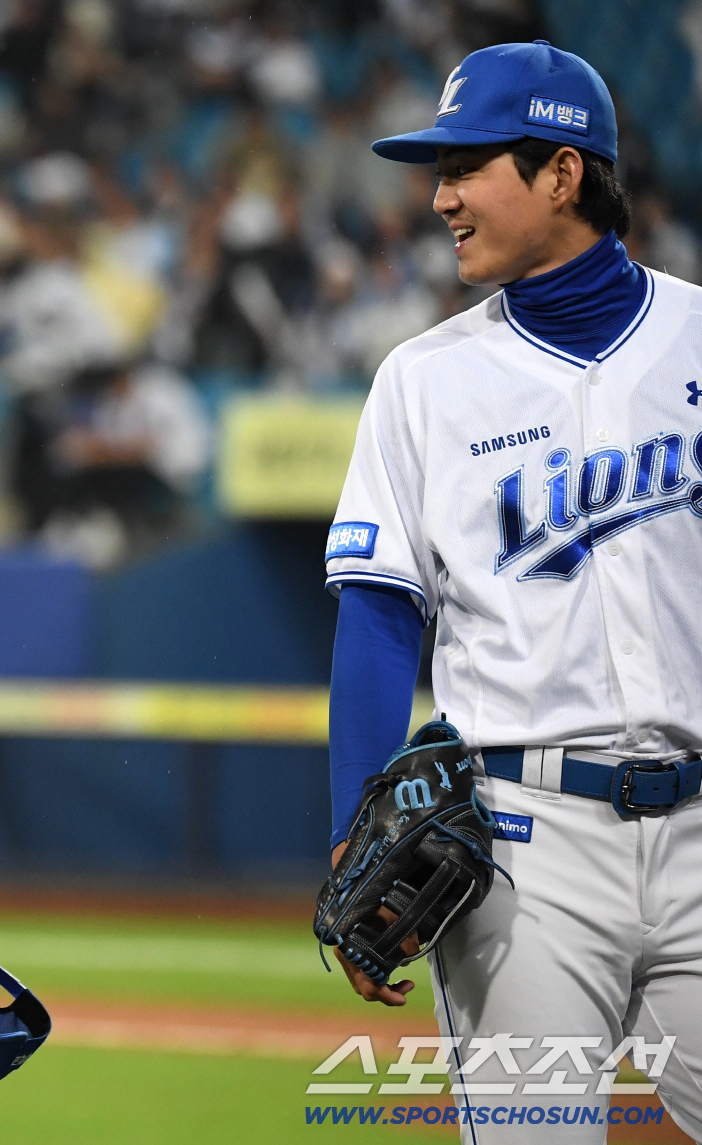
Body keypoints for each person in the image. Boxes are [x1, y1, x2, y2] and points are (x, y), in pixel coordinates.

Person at [325, 41, 702, 1141]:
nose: (440, 198)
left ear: (562, 173)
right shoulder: (424, 379)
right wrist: (352, 825)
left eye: (466, 168)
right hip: (529, 845)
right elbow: (380, 613)